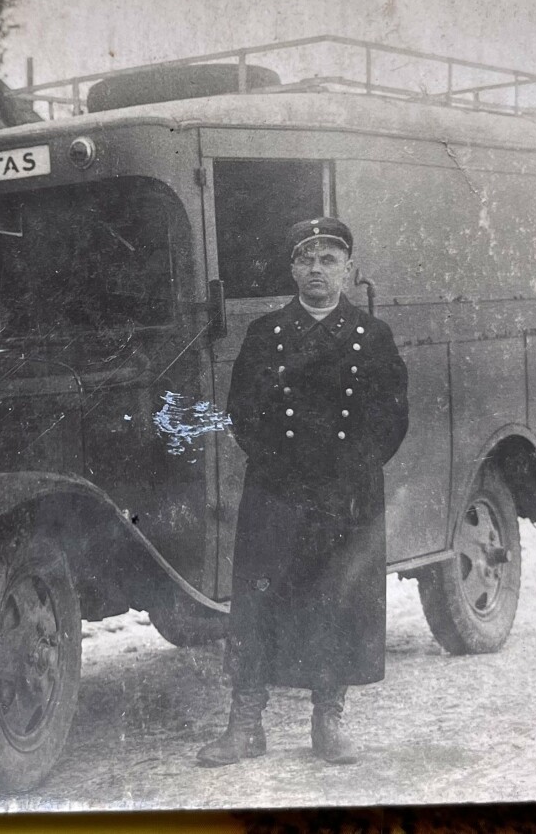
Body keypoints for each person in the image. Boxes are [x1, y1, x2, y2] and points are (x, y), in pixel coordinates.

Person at [197, 216, 409, 767]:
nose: (317, 269)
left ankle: (328, 722)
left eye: (329, 259)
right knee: (258, 603)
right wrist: (281, 467)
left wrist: (352, 471)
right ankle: (245, 726)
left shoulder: (373, 336)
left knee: (337, 601)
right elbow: (242, 413)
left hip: (347, 493)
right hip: (278, 489)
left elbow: (390, 419)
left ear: (349, 269)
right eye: (307, 259)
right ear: (293, 268)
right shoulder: (265, 334)